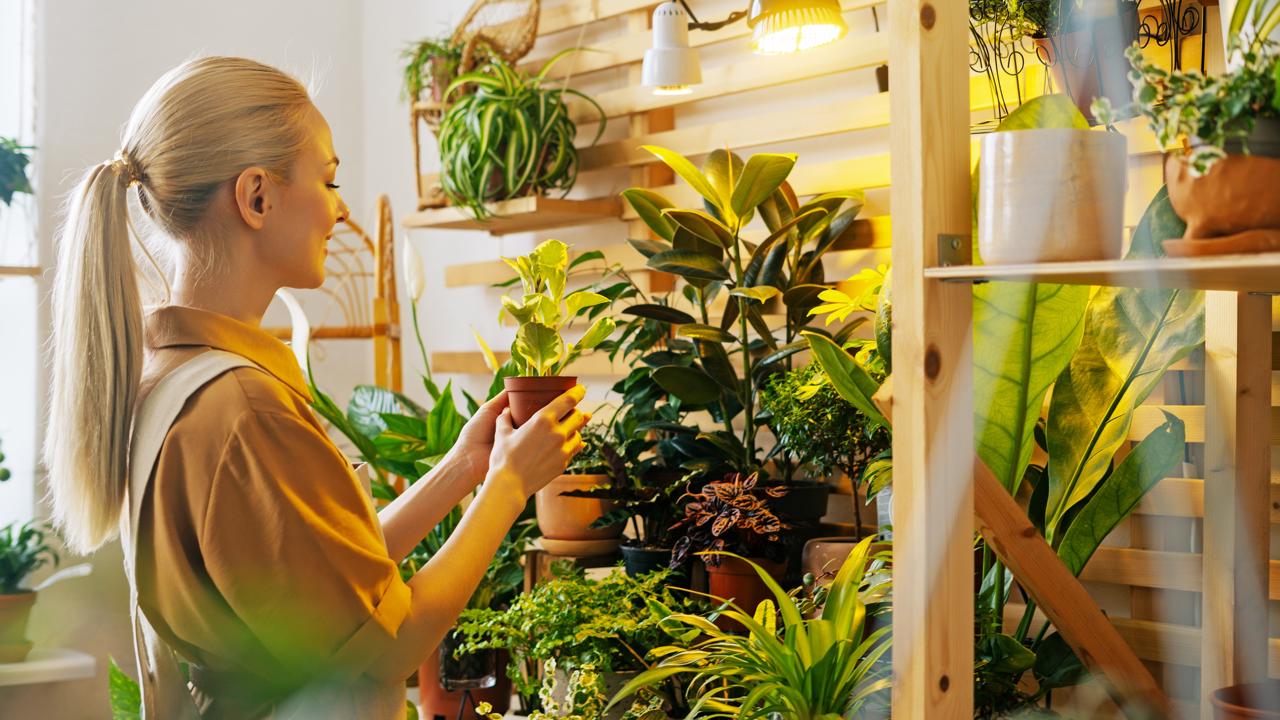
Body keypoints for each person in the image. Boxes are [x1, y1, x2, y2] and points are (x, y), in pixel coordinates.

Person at [43, 56, 587, 719]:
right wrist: (508, 488)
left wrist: (465, 468)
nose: (341, 206)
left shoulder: (175, 379)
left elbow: (327, 581)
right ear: (257, 197)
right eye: (328, 180)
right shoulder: (243, 409)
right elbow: (392, 640)